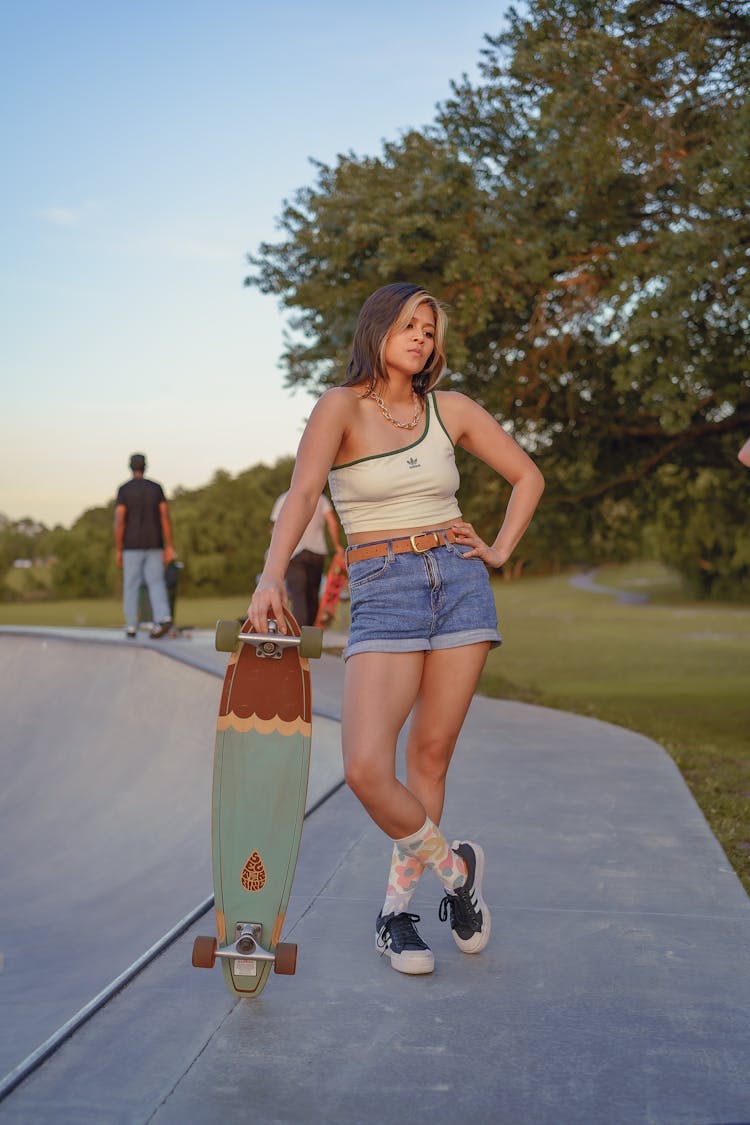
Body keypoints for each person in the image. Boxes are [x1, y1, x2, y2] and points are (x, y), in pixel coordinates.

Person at [248, 283, 544, 976]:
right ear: (377, 327)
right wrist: (270, 573)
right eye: (409, 324)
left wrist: (497, 551)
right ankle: (457, 871)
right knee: (365, 768)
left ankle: (395, 918)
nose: (421, 337)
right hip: (384, 588)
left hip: (461, 586)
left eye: (430, 329)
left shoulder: (455, 410)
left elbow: (527, 477)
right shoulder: (340, 407)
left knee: (430, 758)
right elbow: (302, 493)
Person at [114, 453, 175, 639]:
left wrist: (118, 548)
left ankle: (131, 626)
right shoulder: (156, 488)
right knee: (156, 582)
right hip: (155, 543)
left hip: (131, 546)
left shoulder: (124, 490)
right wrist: (169, 545)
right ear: (145, 466)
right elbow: (164, 517)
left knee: (131, 585)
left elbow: (120, 520)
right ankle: (163, 618)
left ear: (130, 467)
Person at [270, 490, 345, 625]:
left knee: (299, 595)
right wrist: (337, 545)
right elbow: (333, 523)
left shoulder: (284, 498)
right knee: (312, 595)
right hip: (316, 552)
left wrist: (275, 552)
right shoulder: (321, 499)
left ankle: (301, 637)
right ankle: (312, 634)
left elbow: (276, 527)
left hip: (294, 552)